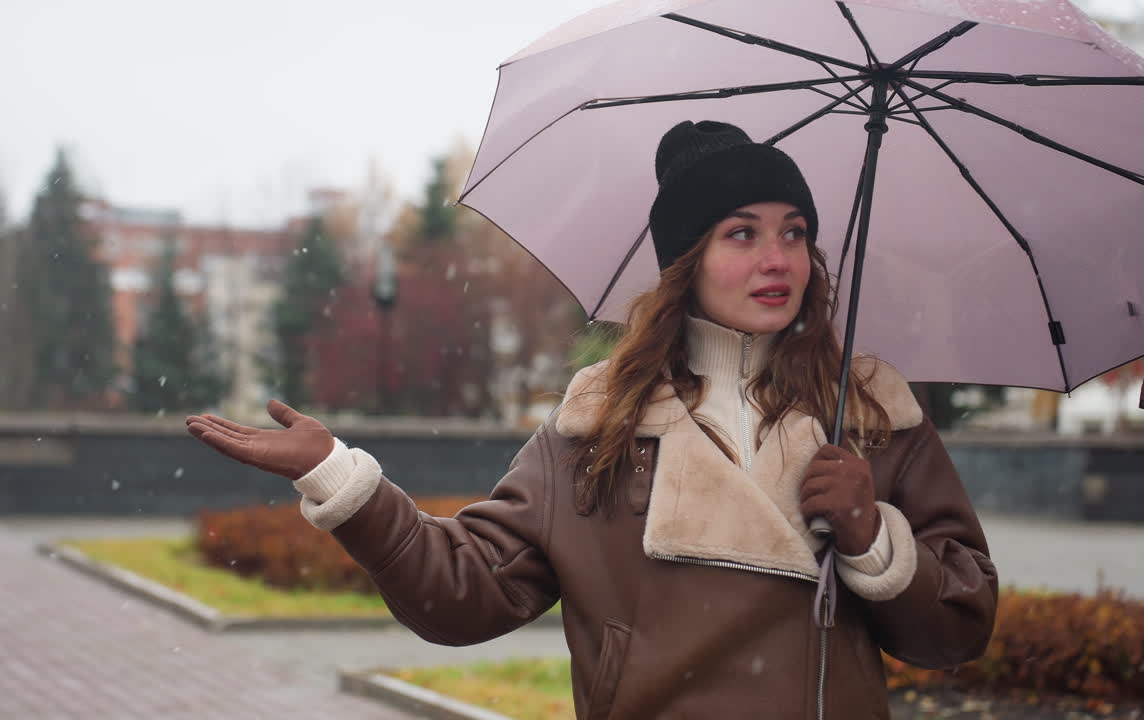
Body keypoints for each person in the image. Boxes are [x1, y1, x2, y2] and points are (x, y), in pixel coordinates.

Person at [186, 120, 997, 719]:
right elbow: (464, 594)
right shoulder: (599, 423)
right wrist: (339, 477)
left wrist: (873, 537)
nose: (777, 259)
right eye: (741, 234)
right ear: (686, 261)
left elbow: (958, 629)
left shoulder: (870, 413)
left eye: (795, 232)